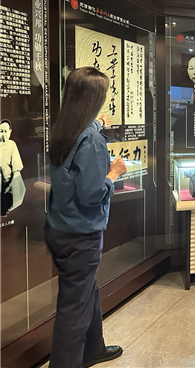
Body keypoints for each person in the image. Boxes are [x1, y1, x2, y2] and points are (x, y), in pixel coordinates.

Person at [46, 67, 127, 368]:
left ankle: (93, 348)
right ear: (94, 99)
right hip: (81, 234)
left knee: (85, 291)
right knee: (74, 310)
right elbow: (92, 194)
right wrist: (113, 173)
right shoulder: (91, 140)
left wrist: (99, 123)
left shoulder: (64, 128)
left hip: (60, 227)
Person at [1, 119, 26, 216]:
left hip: (10, 184)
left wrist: (12, 184)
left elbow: (16, 168)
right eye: (1, 131)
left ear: (10, 131)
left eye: (5, 131)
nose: (3, 134)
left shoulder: (11, 144)